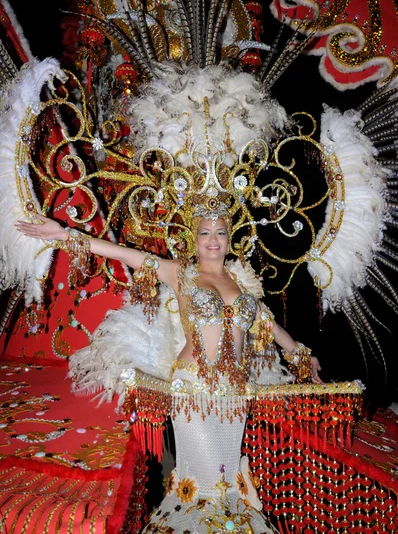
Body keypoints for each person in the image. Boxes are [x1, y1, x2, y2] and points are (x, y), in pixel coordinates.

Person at [16, 206, 321, 534]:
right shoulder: (181, 273)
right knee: (204, 488)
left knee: (228, 483)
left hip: (234, 396)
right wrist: (65, 235)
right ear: (195, 238)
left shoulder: (241, 282)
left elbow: (270, 325)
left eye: (220, 232)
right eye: (205, 232)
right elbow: (124, 253)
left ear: (229, 237)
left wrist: (301, 354)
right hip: (192, 390)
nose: (212, 240)